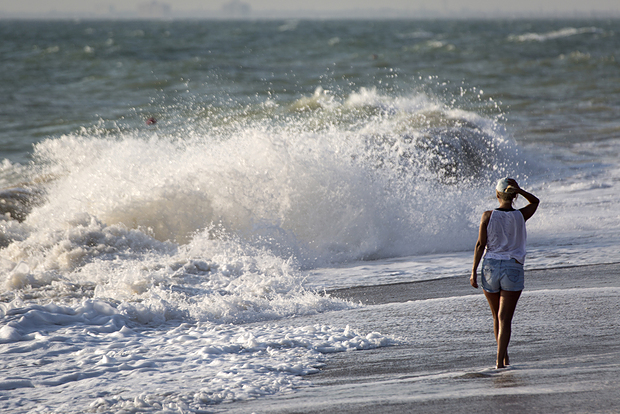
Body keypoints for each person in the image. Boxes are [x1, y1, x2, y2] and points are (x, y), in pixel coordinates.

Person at [470, 177, 539, 369]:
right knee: (505, 319)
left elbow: (480, 245)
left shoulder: (487, 216)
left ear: (497, 194)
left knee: (496, 317)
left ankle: (504, 359)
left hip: (490, 267)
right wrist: (520, 190)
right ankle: (500, 362)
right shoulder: (520, 215)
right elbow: (535, 201)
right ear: (515, 195)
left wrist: (473, 272)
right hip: (512, 267)